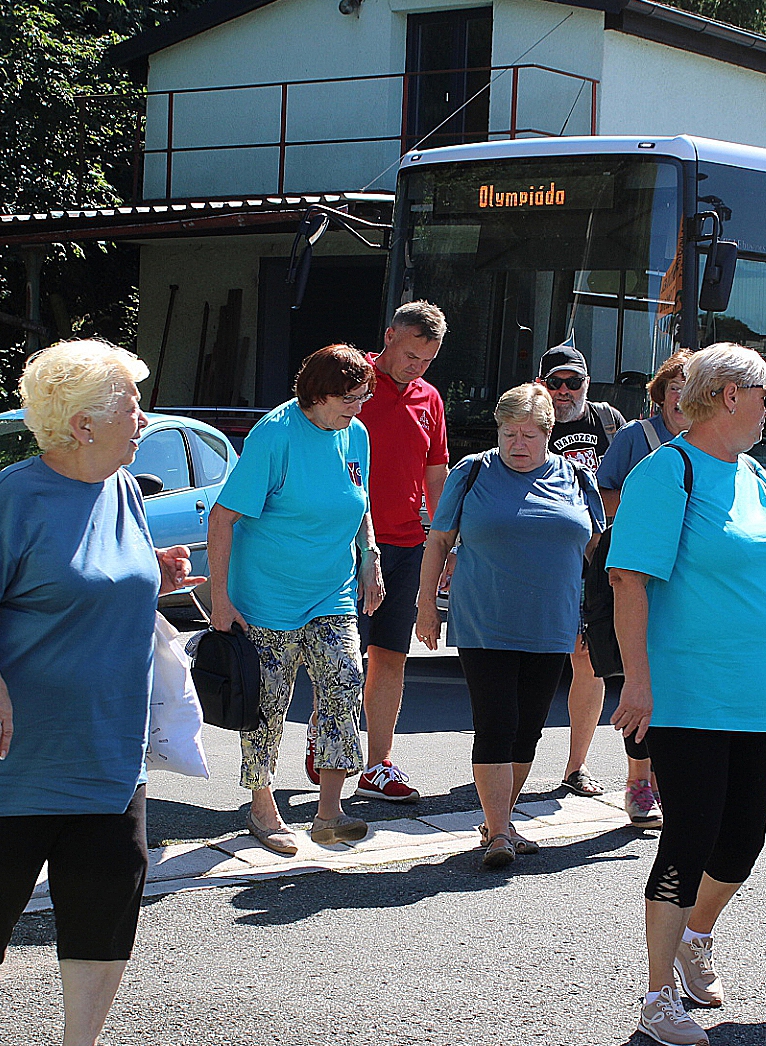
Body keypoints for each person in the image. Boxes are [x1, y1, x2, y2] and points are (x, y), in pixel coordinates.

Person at [0, 338, 200, 1046]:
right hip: (5, 751)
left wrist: (157, 572)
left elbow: (96, 575)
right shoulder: (12, 496)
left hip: (105, 748)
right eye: (130, 405)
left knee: (107, 895)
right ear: (80, 424)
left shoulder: (122, 488)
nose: (143, 419)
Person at [607, 343, 766, 1046]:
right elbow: (628, 580)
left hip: (757, 691)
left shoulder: (754, 475)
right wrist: (639, 680)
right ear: (729, 395)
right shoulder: (667, 472)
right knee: (689, 836)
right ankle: (657, 995)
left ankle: (695, 935)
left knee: (742, 841)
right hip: (688, 693)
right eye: (765, 396)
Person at [415, 383, 604, 868]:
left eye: (529, 435)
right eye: (508, 433)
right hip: (485, 620)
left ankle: (497, 818)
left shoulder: (577, 478)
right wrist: (426, 606)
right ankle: (499, 830)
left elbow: (595, 550)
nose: (517, 444)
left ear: (548, 433)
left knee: (528, 729)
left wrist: (598, 615)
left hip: (553, 622)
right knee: (496, 723)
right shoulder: (473, 472)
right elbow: (439, 541)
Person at [209, 343, 384, 856]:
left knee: (345, 683)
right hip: (267, 597)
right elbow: (222, 518)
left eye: (363, 397)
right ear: (318, 393)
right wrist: (220, 599)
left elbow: (359, 502)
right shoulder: (275, 435)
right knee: (267, 705)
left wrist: (370, 555)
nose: (358, 407)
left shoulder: (355, 434)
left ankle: (329, 812)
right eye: (349, 398)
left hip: (332, 591)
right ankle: (262, 807)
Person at [344, 301, 449, 805]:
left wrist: (446, 542)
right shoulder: (350, 379)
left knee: (390, 655)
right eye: (410, 356)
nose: (417, 367)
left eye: (427, 360)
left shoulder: (429, 397)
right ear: (389, 337)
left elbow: (435, 475)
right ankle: (327, 732)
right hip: (347, 543)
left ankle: (377, 764)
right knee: (342, 653)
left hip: (407, 543)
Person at [591, 349, 693, 828]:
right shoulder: (637, 437)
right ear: (661, 395)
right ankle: (638, 781)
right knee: (640, 676)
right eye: (674, 388)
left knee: (676, 682)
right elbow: (602, 494)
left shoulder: (715, 442)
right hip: (641, 572)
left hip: (687, 578)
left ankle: (667, 780)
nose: (682, 398)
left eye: (690, 389)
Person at [537, 342, 626, 798]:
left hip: (595, 561)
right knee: (532, 661)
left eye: (573, 382)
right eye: (555, 382)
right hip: (545, 559)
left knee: (588, 662)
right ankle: (509, 760)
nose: (564, 391)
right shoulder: (530, 422)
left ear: (587, 384)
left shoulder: (608, 422)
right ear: (541, 384)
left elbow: (631, 481)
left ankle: (576, 766)